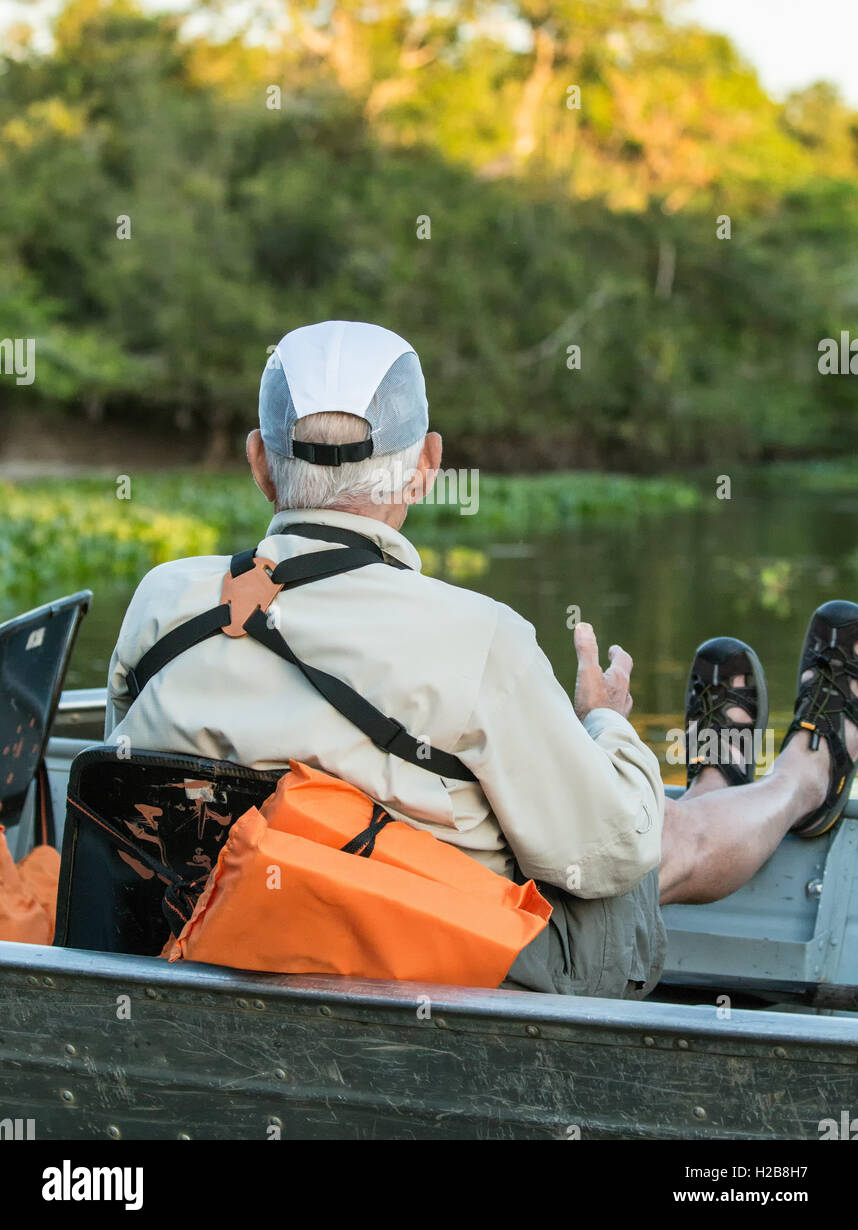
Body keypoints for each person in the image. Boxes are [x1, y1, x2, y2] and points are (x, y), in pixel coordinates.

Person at [105, 320, 858, 998]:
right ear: (426, 466)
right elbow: (613, 855)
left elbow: (127, 760)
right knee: (663, 835)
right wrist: (602, 725)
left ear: (259, 465)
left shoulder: (161, 601)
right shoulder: (479, 636)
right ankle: (802, 779)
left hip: (195, 945)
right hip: (434, 983)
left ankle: (722, 780)